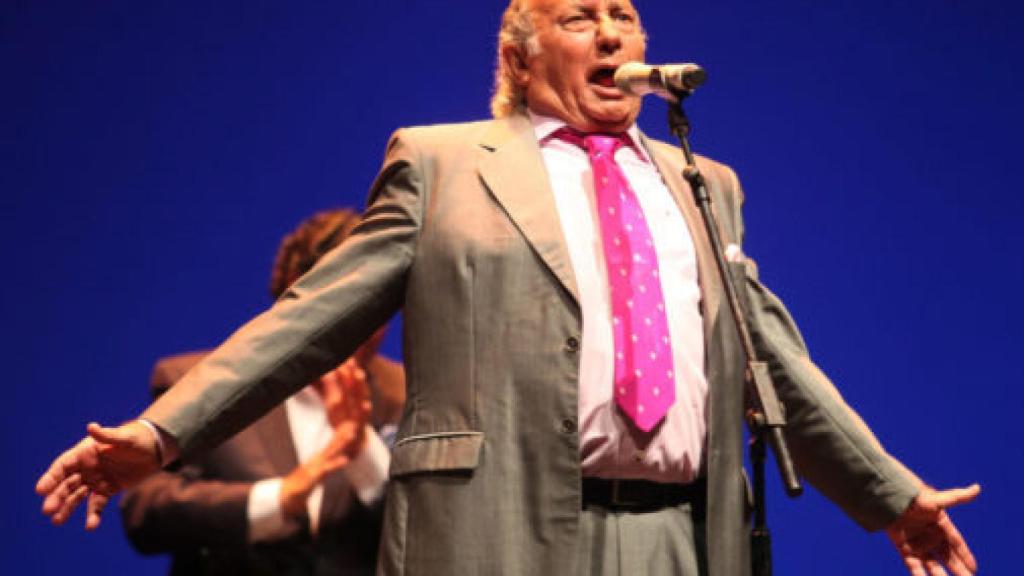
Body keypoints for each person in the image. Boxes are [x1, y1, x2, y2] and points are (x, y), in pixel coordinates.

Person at [36, 1, 979, 575]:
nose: (612, 33)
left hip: (681, 538)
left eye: (625, 16)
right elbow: (310, 319)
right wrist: (163, 433)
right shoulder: (443, 163)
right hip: (500, 530)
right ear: (520, 59)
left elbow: (771, 354)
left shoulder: (704, 180)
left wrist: (890, 495)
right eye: (579, 18)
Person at [119, 209, 405, 576]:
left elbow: (433, 525)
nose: (367, 327)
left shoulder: (409, 392)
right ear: (296, 289)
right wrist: (279, 499)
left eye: (380, 305)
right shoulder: (198, 382)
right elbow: (147, 510)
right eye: (354, 302)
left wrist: (364, 452)